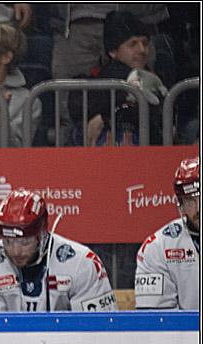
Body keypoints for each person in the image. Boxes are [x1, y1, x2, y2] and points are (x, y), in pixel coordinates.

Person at [0, 189, 117, 312]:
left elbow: (98, 328)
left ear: (42, 235)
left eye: (25, 242)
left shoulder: (82, 263)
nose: (16, 251)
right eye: (8, 241)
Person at [69, 10, 167, 147]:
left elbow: (153, 115)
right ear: (113, 51)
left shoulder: (155, 81)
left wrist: (107, 119)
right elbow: (81, 109)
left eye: (145, 43)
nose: (142, 50)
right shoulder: (95, 80)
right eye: (133, 44)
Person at [135, 157, 200, 310]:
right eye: (191, 200)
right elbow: (158, 322)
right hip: (186, 334)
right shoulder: (158, 248)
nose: (198, 209)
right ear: (181, 203)